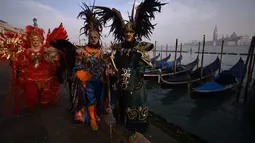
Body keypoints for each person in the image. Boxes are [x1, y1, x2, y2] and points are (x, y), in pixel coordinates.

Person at [95, 0, 167, 142]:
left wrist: (132, 78)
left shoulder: (140, 47)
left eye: (131, 31)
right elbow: (114, 63)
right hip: (120, 82)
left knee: (134, 108)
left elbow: (141, 68)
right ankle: (122, 126)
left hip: (135, 85)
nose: (128, 33)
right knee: (120, 108)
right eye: (126, 31)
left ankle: (134, 132)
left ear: (135, 33)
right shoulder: (119, 47)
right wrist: (110, 69)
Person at [0, 19, 68, 114]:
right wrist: (14, 60)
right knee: (31, 96)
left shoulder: (45, 49)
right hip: (30, 77)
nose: (35, 42)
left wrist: (53, 59)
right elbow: (20, 62)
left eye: (37, 40)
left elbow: (54, 59)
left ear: (40, 40)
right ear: (30, 41)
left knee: (46, 97)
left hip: (46, 76)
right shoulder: (26, 51)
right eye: (33, 40)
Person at [68, 2, 106, 131]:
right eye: (91, 37)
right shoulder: (82, 50)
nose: (94, 38)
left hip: (99, 80)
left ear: (99, 37)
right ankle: (92, 119)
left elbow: (106, 64)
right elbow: (77, 65)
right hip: (88, 80)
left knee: (99, 99)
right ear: (88, 38)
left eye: (96, 37)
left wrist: (108, 72)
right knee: (90, 99)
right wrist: (81, 74)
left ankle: (95, 114)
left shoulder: (102, 50)